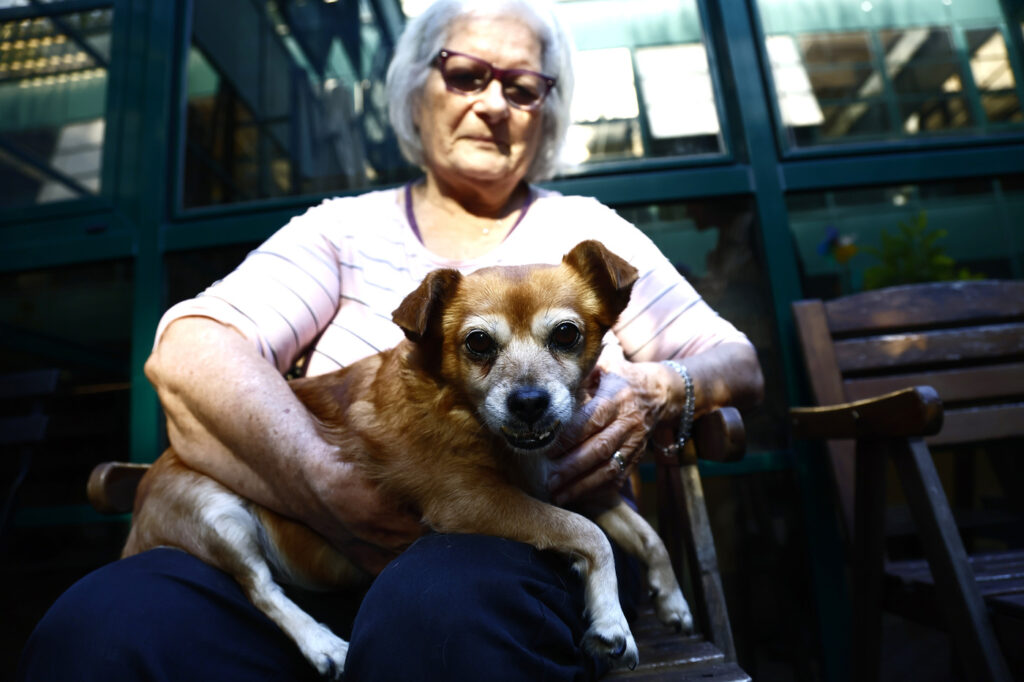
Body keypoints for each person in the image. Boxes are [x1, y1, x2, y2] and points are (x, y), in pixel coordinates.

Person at [17, 1, 764, 680]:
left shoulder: (587, 231)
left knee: (439, 609)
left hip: (512, 561)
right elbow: (188, 352)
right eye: (465, 75)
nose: (492, 103)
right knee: (101, 628)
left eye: (522, 86)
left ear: (548, 110)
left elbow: (737, 361)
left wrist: (661, 389)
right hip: (307, 557)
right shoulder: (341, 230)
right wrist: (325, 485)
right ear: (415, 89)